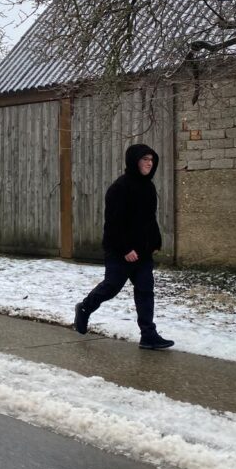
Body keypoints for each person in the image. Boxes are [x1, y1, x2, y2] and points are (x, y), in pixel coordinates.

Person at [73, 144, 174, 350]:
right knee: (111, 287)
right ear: (134, 161)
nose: (149, 163)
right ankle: (84, 308)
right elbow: (113, 224)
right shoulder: (119, 188)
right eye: (145, 159)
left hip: (143, 252)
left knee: (145, 291)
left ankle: (148, 335)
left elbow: (149, 219)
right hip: (119, 251)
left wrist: (155, 242)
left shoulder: (148, 187)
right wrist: (125, 249)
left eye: (151, 160)